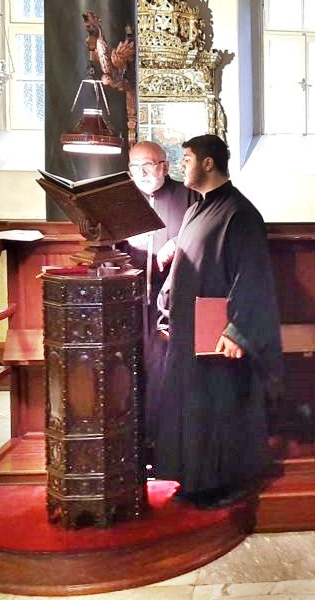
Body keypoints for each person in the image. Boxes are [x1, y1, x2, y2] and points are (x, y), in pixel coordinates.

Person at [152, 134, 283, 508]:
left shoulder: (240, 214)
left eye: (187, 159)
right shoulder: (196, 210)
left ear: (208, 163)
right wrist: (166, 307)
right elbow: (187, 263)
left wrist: (237, 331)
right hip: (188, 329)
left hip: (218, 333)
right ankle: (193, 480)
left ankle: (224, 485)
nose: (182, 166)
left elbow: (253, 276)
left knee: (220, 407)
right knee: (191, 406)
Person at [125, 141, 200, 447]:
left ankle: (162, 442)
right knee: (129, 369)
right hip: (129, 300)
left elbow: (205, 232)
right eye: (136, 168)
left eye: (149, 165)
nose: (142, 174)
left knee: (163, 370)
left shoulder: (189, 196)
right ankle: (132, 440)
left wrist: (179, 241)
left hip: (170, 302)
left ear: (165, 167)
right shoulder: (123, 200)